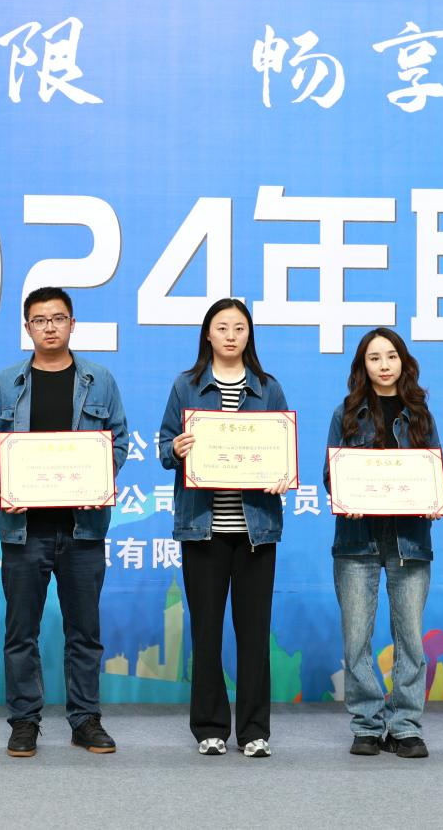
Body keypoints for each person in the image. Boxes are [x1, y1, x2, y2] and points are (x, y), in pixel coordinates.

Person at [0, 287, 129, 757]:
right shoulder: (7, 383)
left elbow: (118, 439)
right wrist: (2, 484)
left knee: (84, 632)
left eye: (58, 318)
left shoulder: (99, 380)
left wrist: (98, 478)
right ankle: (24, 722)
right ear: (27, 328)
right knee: (21, 632)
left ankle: (85, 720)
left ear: (72, 324)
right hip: (24, 530)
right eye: (39, 320)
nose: (49, 327)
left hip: (83, 528)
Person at [157, 298, 290, 759]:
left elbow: (283, 451)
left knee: (254, 635)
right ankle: (210, 727)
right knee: (206, 632)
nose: (231, 335)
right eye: (222, 327)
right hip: (203, 530)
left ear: (249, 335)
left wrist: (283, 473)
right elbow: (163, 447)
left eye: (239, 327)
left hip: (256, 533)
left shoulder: (268, 388)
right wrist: (176, 448)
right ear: (208, 334)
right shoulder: (186, 385)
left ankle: (254, 730)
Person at [324, 327, 443, 760]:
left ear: (403, 362)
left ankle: (406, 726)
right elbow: (331, 473)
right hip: (357, 539)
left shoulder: (420, 413)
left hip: (409, 539)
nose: (384, 365)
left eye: (391, 356)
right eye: (374, 358)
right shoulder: (345, 413)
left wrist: (434, 500)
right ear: (363, 366)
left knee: (409, 637)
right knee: (356, 638)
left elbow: (433, 470)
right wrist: (346, 496)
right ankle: (367, 724)